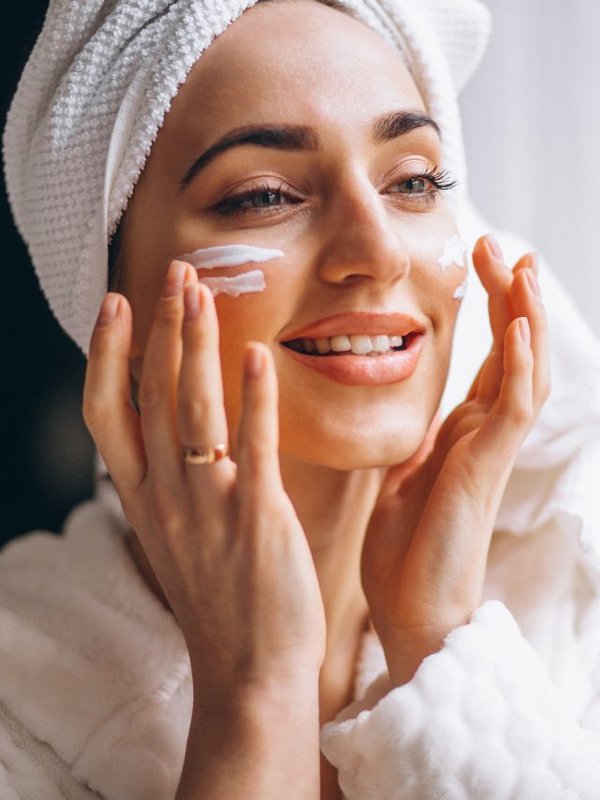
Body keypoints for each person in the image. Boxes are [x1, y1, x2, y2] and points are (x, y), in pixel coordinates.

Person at [2, 0, 600, 798]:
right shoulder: (20, 690)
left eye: (414, 180)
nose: (379, 250)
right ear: (118, 308)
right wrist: (257, 689)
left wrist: (441, 648)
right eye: (264, 195)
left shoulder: (569, 617)